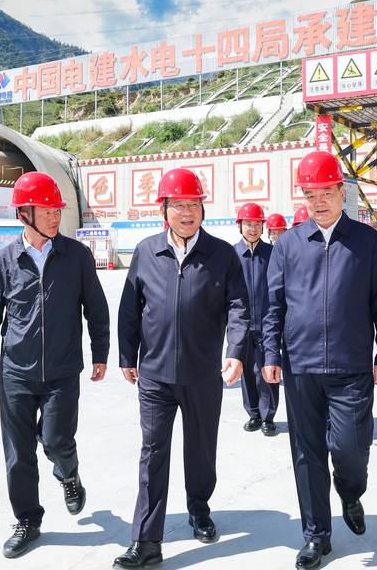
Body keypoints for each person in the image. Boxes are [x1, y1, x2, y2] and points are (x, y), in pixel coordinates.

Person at [262, 151, 377, 569]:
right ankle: (316, 537)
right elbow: (273, 306)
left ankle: (351, 492)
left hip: (351, 365)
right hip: (300, 367)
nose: (318, 201)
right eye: (310, 193)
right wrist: (270, 353)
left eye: (326, 191)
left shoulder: (366, 240)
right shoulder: (287, 244)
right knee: (306, 453)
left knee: (350, 447)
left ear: (342, 192)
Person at [114, 168, 250, 569]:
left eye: (193, 204)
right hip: (155, 373)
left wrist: (237, 349)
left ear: (203, 208)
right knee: (152, 453)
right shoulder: (146, 251)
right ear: (164, 210)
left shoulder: (222, 253)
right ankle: (146, 540)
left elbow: (240, 306)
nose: (186, 212)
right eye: (178, 205)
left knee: (200, 449)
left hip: (204, 372)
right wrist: (127, 355)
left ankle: (199, 508)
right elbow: (129, 309)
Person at [0, 172, 110, 558]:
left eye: (57, 210)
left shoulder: (76, 256)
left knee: (56, 441)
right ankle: (28, 520)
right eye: (47, 210)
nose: (55, 217)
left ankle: (69, 474)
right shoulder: (3, 261)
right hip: (15, 373)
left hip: (63, 371)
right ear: (25, 214)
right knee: (17, 453)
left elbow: (96, 310)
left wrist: (101, 353)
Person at [234, 203, 280, 436]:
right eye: (248, 223)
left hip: (267, 324)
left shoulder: (272, 254)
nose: (253, 228)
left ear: (263, 226)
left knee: (266, 370)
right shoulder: (232, 255)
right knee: (246, 372)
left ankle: (268, 416)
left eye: (257, 224)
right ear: (240, 226)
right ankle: (253, 413)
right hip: (241, 325)